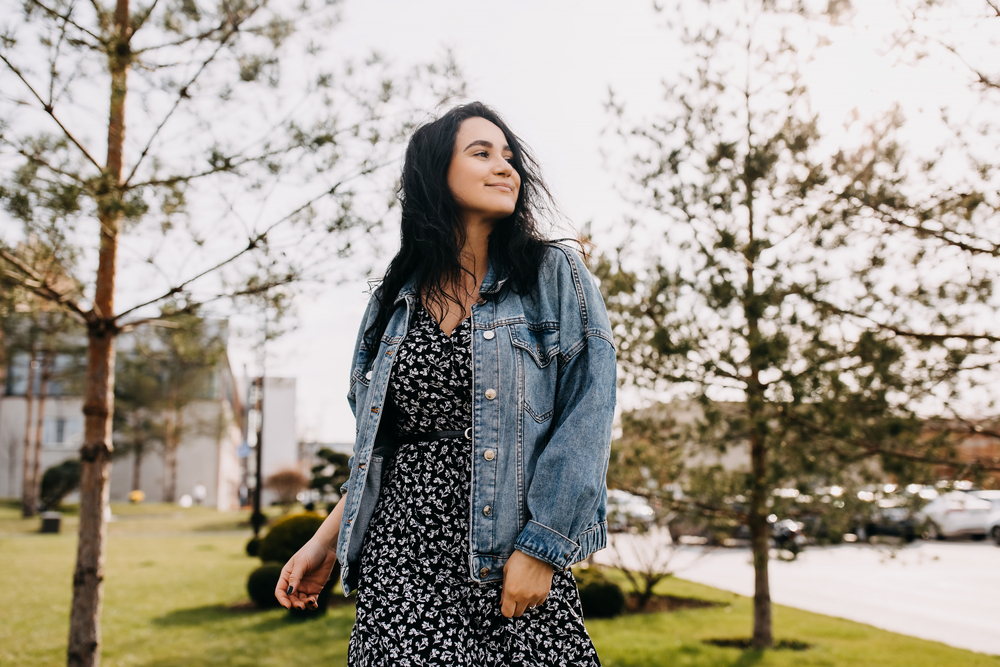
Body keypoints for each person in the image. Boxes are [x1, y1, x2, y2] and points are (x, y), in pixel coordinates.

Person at [276, 102, 617, 665]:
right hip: (401, 559)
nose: (504, 166)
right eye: (481, 153)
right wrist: (325, 542)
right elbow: (378, 449)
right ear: (436, 173)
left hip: (507, 555)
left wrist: (545, 546)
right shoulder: (392, 301)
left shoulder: (553, 275)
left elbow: (588, 410)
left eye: (508, 156)